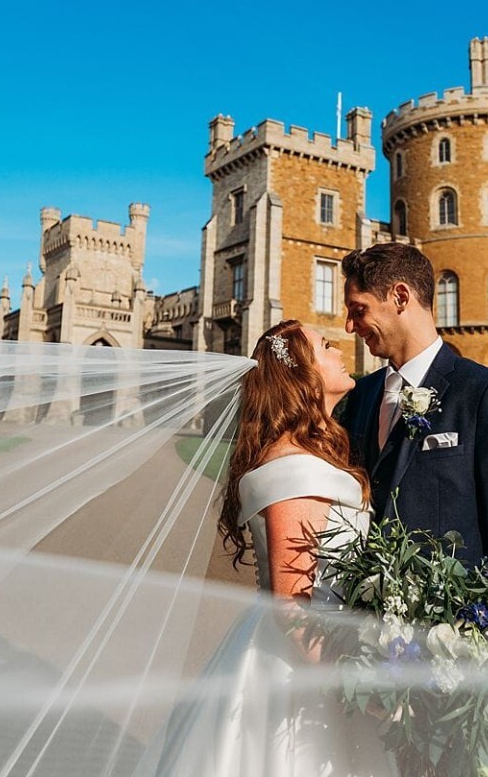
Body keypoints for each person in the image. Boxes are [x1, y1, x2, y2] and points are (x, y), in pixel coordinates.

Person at [142, 320, 399, 777]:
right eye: (325, 345)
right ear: (302, 373)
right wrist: (356, 686)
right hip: (303, 669)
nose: (339, 350)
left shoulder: (305, 453)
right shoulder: (294, 467)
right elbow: (294, 606)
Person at [340, 243, 488, 586]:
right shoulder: (362, 395)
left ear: (400, 297)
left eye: (358, 310)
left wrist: (475, 630)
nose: (350, 326)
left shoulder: (483, 393)